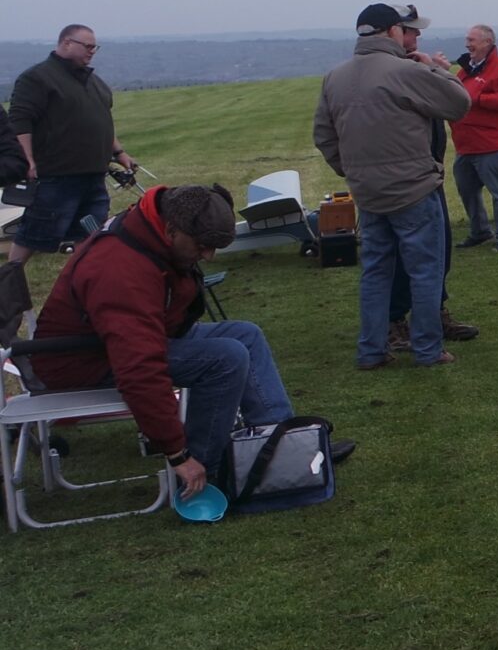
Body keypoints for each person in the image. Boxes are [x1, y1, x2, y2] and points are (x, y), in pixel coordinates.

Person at [26, 184, 349, 503]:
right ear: (171, 230)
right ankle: (207, 473)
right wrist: (177, 453)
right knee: (226, 358)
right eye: (203, 246)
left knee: (245, 335)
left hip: (123, 339)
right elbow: (138, 368)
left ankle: (281, 450)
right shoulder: (120, 270)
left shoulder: (154, 226)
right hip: (81, 361)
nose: (208, 256)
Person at [313, 4, 470, 369]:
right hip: (414, 189)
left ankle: (372, 350)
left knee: (375, 272)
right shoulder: (406, 71)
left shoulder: (334, 77)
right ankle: (428, 349)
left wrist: (352, 171)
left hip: (367, 193)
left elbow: (324, 135)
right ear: (393, 31)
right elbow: (459, 103)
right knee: (425, 272)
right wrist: (433, 68)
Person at [8, 25, 137, 266]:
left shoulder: (94, 82)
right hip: (56, 176)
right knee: (32, 235)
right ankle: (8, 283)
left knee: (90, 236)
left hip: (94, 177)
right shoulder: (37, 78)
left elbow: (102, 121)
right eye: (87, 46)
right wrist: (27, 160)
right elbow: (20, 121)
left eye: (95, 47)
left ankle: (82, 282)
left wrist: (120, 153)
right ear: (67, 43)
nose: (92, 52)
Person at [451, 24, 498, 251]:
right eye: (467, 40)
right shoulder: (466, 70)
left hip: (491, 145)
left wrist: (480, 99)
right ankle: (480, 231)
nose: (467, 44)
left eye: (472, 40)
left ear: (487, 42)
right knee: (467, 191)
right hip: (465, 145)